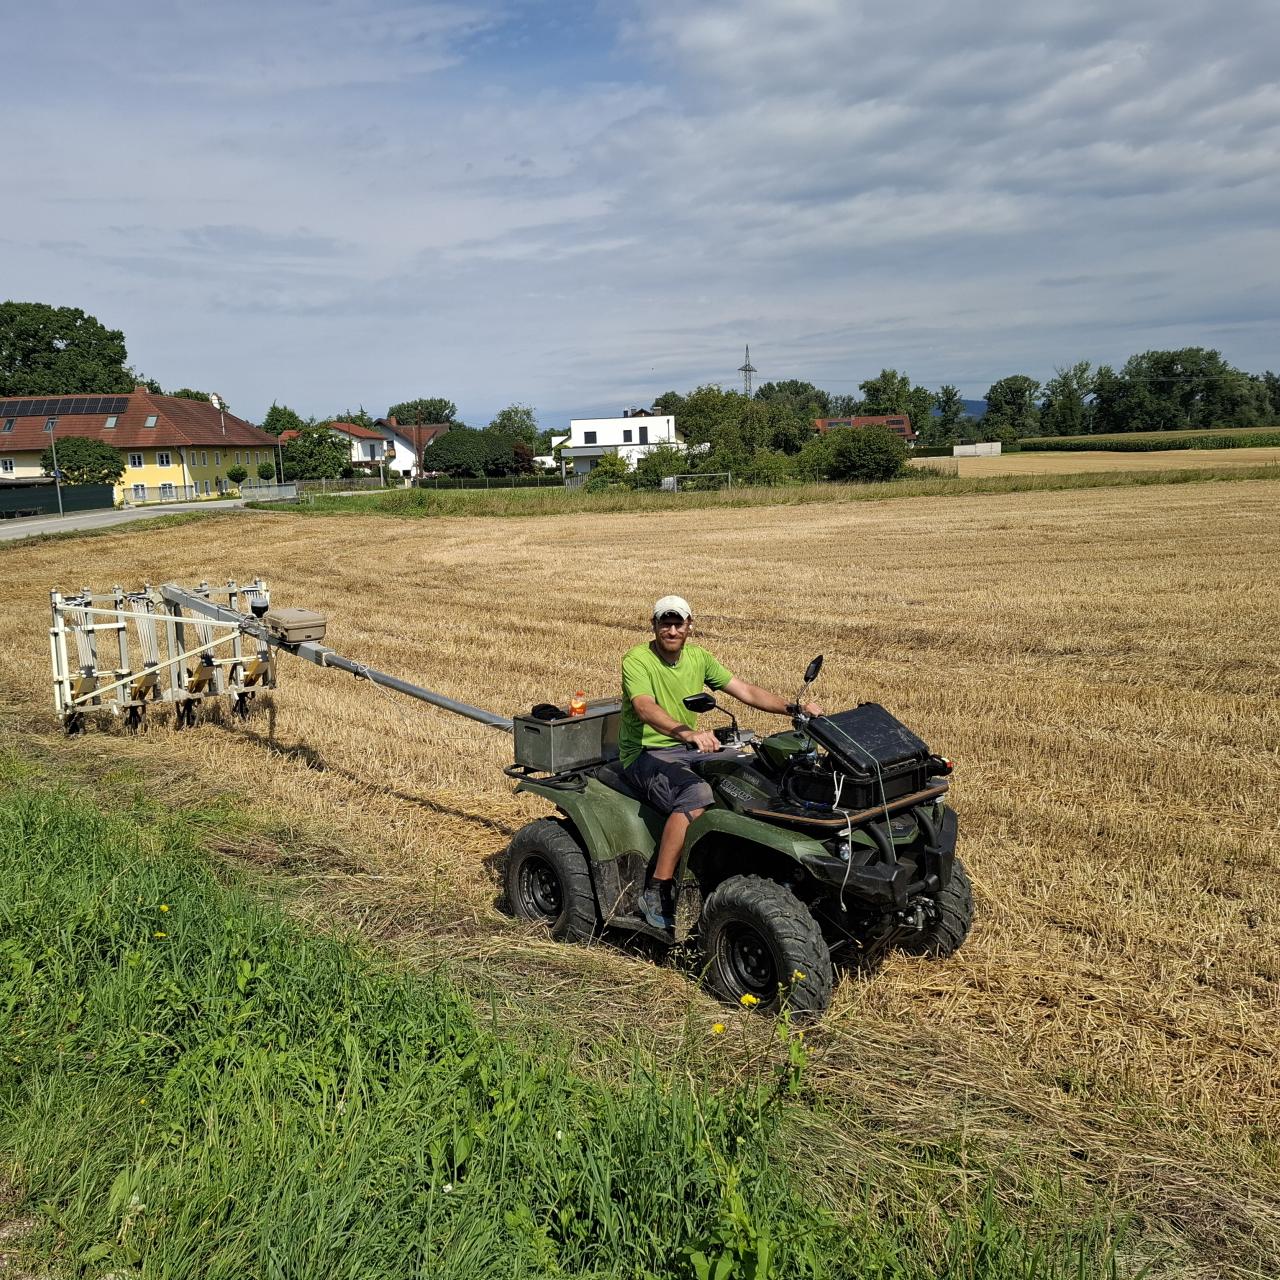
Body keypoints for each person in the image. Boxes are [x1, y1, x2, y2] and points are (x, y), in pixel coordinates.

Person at [620, 595, 824, 930]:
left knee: (752, 772)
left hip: (689, 746)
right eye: (665, 623)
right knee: (696, 794)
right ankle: (658, 888)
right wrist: (688, 733)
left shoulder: (698, 657)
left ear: (690, 625)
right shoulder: (638, 660)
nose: (672, 630)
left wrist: (793, 708)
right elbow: (644, 707)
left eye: (678, 623)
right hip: (647, 753)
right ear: (653, 625)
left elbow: (744, 690)